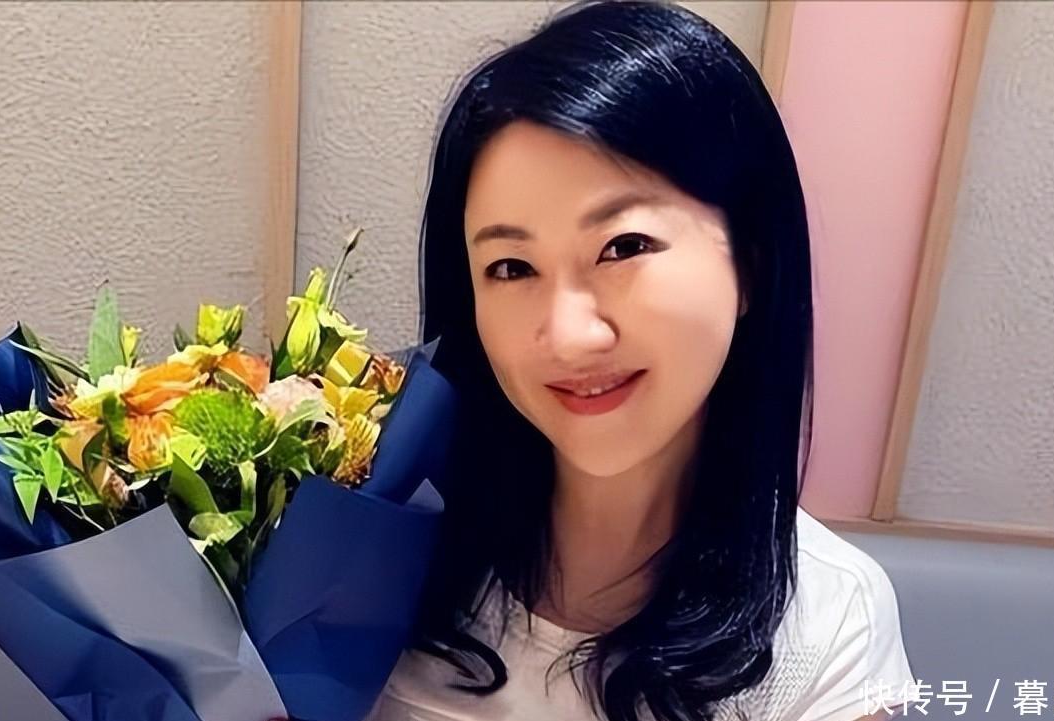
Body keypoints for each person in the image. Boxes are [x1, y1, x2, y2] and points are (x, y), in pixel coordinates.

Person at [359, 1, 920, 720]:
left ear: (749, 262)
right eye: (511, 267)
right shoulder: (379, 545)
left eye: (622, 248)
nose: (569, 337)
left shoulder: (828, 625)